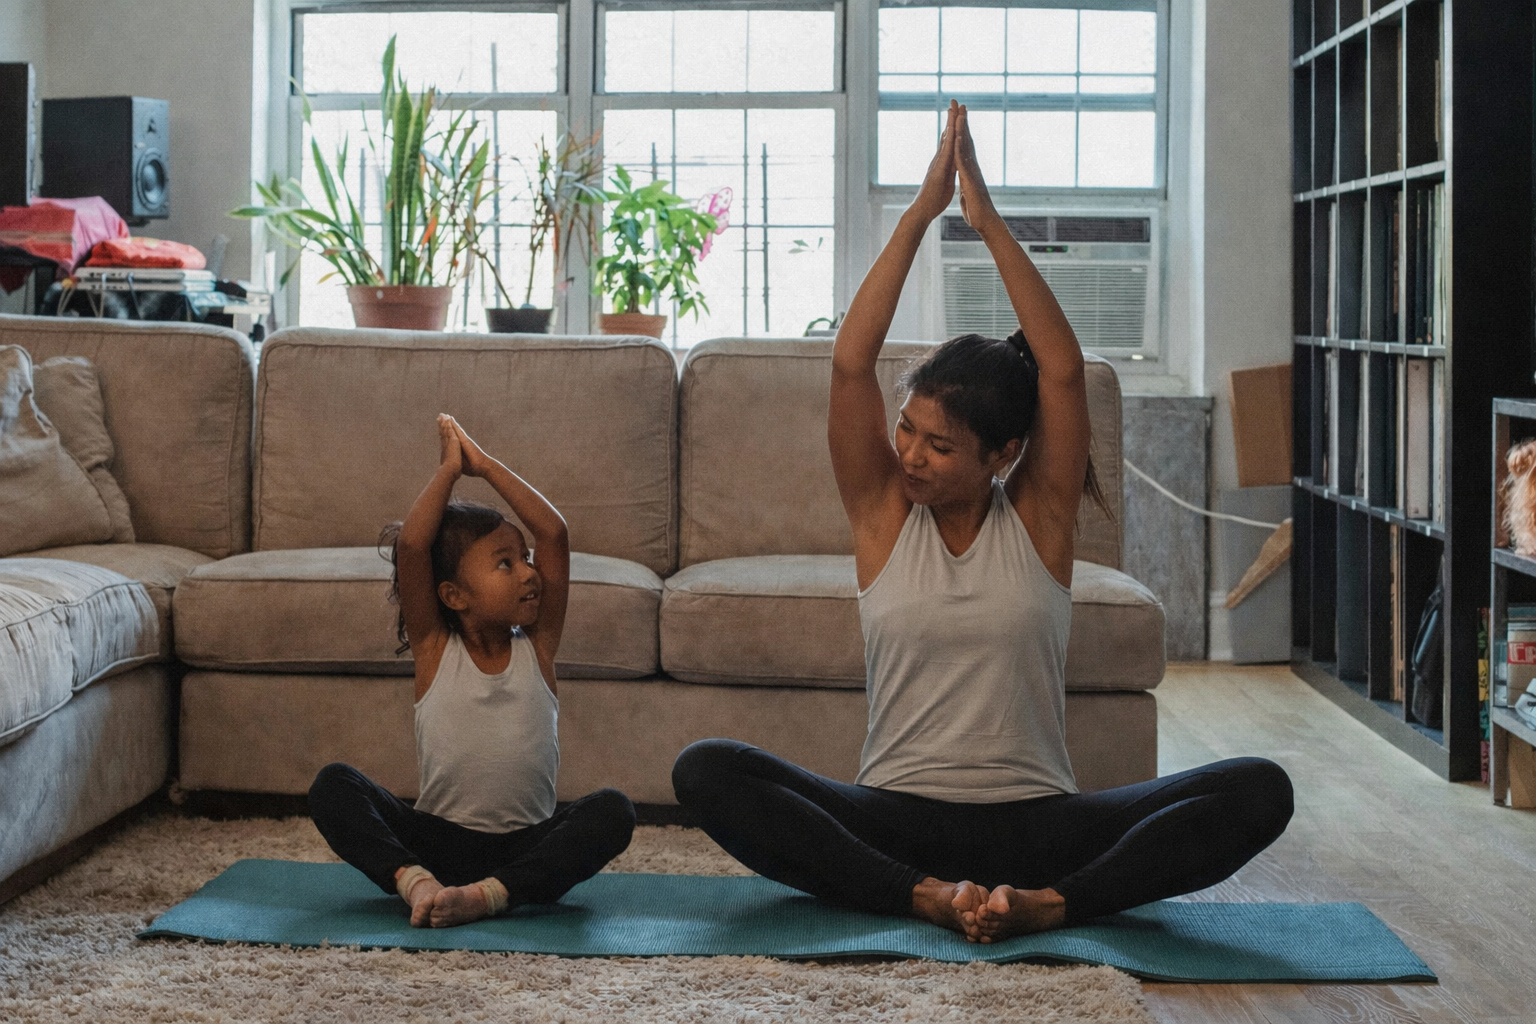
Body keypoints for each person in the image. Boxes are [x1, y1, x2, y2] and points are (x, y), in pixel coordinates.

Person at [672, 101, 1293, 943]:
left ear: (1001, 455)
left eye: (939, 445)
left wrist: (987, 221)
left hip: (1039, 826)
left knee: (1260, 786)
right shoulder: (884, 511)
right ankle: (921, 894)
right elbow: (851, 361)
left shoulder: (1038, 522)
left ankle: (1055, 905)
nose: (911, 457)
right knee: (706, 771)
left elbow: (1065, 373)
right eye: (907, 431)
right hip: (891, 816)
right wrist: (921, 214)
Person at [309, 414, 634, 928]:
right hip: (437, 842)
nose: (529, 573)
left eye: (525, 559)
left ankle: (489, 896)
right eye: (506, 564)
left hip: (528, 846)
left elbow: (554, 533)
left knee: (613, 811)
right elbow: (413, 549)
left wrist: (485, 467)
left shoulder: (539, 646)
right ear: (454, 596)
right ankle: (419, 885)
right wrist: (448, 472)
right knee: (334, 786)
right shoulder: (435, 648)